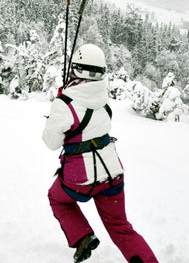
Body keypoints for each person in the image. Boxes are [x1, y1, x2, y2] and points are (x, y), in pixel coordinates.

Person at [42, 44, 159, 263]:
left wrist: (59, 104)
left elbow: (51, 142)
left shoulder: (65, 103)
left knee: (57, 198)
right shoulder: (103, 99)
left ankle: (82, 236)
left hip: (80, 178)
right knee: (120, 227)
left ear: (76, 69)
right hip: (112, 174)